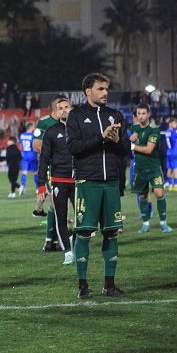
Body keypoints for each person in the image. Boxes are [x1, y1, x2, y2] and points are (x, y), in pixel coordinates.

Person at [65, 73, 131, 299]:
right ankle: (83, 287)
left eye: (106, 89)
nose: (105, 93)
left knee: (111, 233)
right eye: (101, 89)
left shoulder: (116, 115)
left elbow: (126, 149)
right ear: (88, 92)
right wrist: (101, 139)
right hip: (87, 182)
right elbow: (73, 147)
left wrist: (117, 141)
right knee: (83, 233)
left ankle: (109, 285)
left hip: (111, 182)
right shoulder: (76, 115)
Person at [38, 96, 75, 264]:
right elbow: (44, 158)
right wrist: (40, 185)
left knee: (83, 217)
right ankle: (68, 251)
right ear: (56, 112)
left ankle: (75, 241)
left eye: (67, 107)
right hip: (59, 180)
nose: (64, 110)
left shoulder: (81, 130)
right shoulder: (51, 132)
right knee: (61, 216)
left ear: (71, 108)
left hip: (79, 181)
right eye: (60, 108)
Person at [129, 105, 173, 234]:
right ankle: (145, 223)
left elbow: (148, 150)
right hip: (140, 168)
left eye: (143, 113)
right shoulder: (135, 127)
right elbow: (135, 134)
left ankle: (163, 223)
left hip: (153, 167)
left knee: (159, 193)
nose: (141, 116)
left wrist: (132, 145)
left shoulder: (154, 129)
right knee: (142, 195)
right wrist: (134, 138)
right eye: (139, 113)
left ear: (148, 114)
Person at [31, 97, 64, 218]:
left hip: (63, 164)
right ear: (56, 108)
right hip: (49, 163)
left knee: (53, 190)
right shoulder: (43, 122)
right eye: (62, 108)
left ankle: (38, 210)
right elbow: (36, 146)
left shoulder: (66, 123)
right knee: (53, 191)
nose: (66, 110)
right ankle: (62, 220)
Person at [164, 117, 177, 191]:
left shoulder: (167, 131)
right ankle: (175, 185)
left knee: (170, 168)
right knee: (176, 168)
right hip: (175, 152)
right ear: (170, 124)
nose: (176, 125)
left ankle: (170, 185)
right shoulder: (175, 132)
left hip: (169, 152)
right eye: (174, 123)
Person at [18, 122, 36, 196]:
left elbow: (21, 146)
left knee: (24, 172)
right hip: (32, 155)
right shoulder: (33, 136)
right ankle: (37, 189)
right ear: (31, 127)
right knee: (35, 172)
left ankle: (22, 186)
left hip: (25, 155)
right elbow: (34, 146)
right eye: (33, 127)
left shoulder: (22, 136)